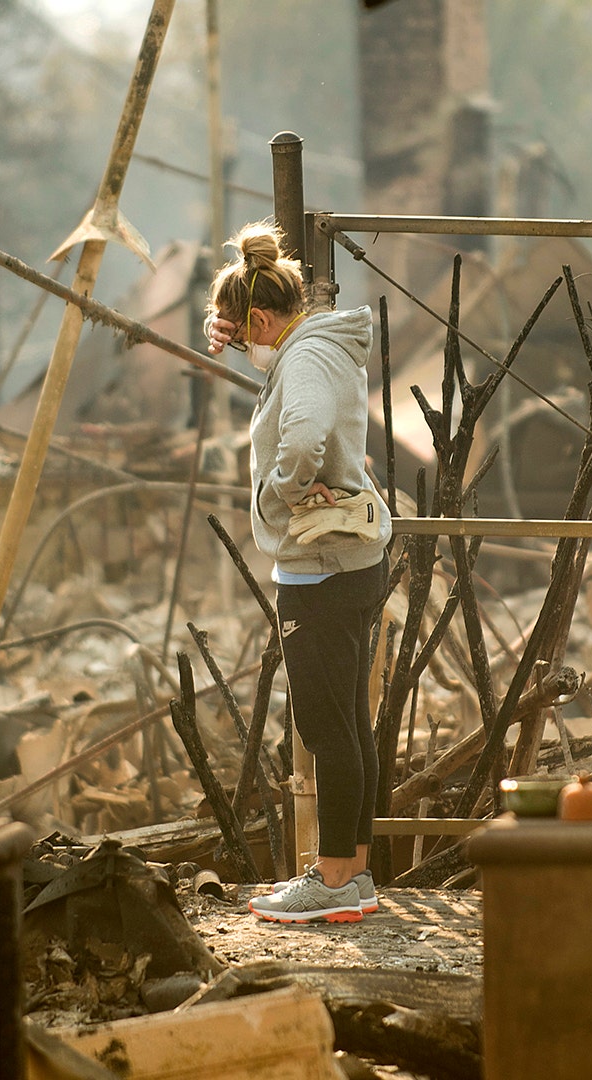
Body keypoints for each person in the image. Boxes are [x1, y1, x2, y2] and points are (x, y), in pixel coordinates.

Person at [204, 220, 392, 924]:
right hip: (347, 562)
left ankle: (334, 880)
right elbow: (299, 401)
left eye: (241, 330)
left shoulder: (305, 361)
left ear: (262, 318)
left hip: (319, 567)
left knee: (324, 725)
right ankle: (354, 874)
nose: (244, 345)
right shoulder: (314, 344)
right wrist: (227, 336)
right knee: (349, 722)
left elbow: (306, 433)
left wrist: (285, 487)